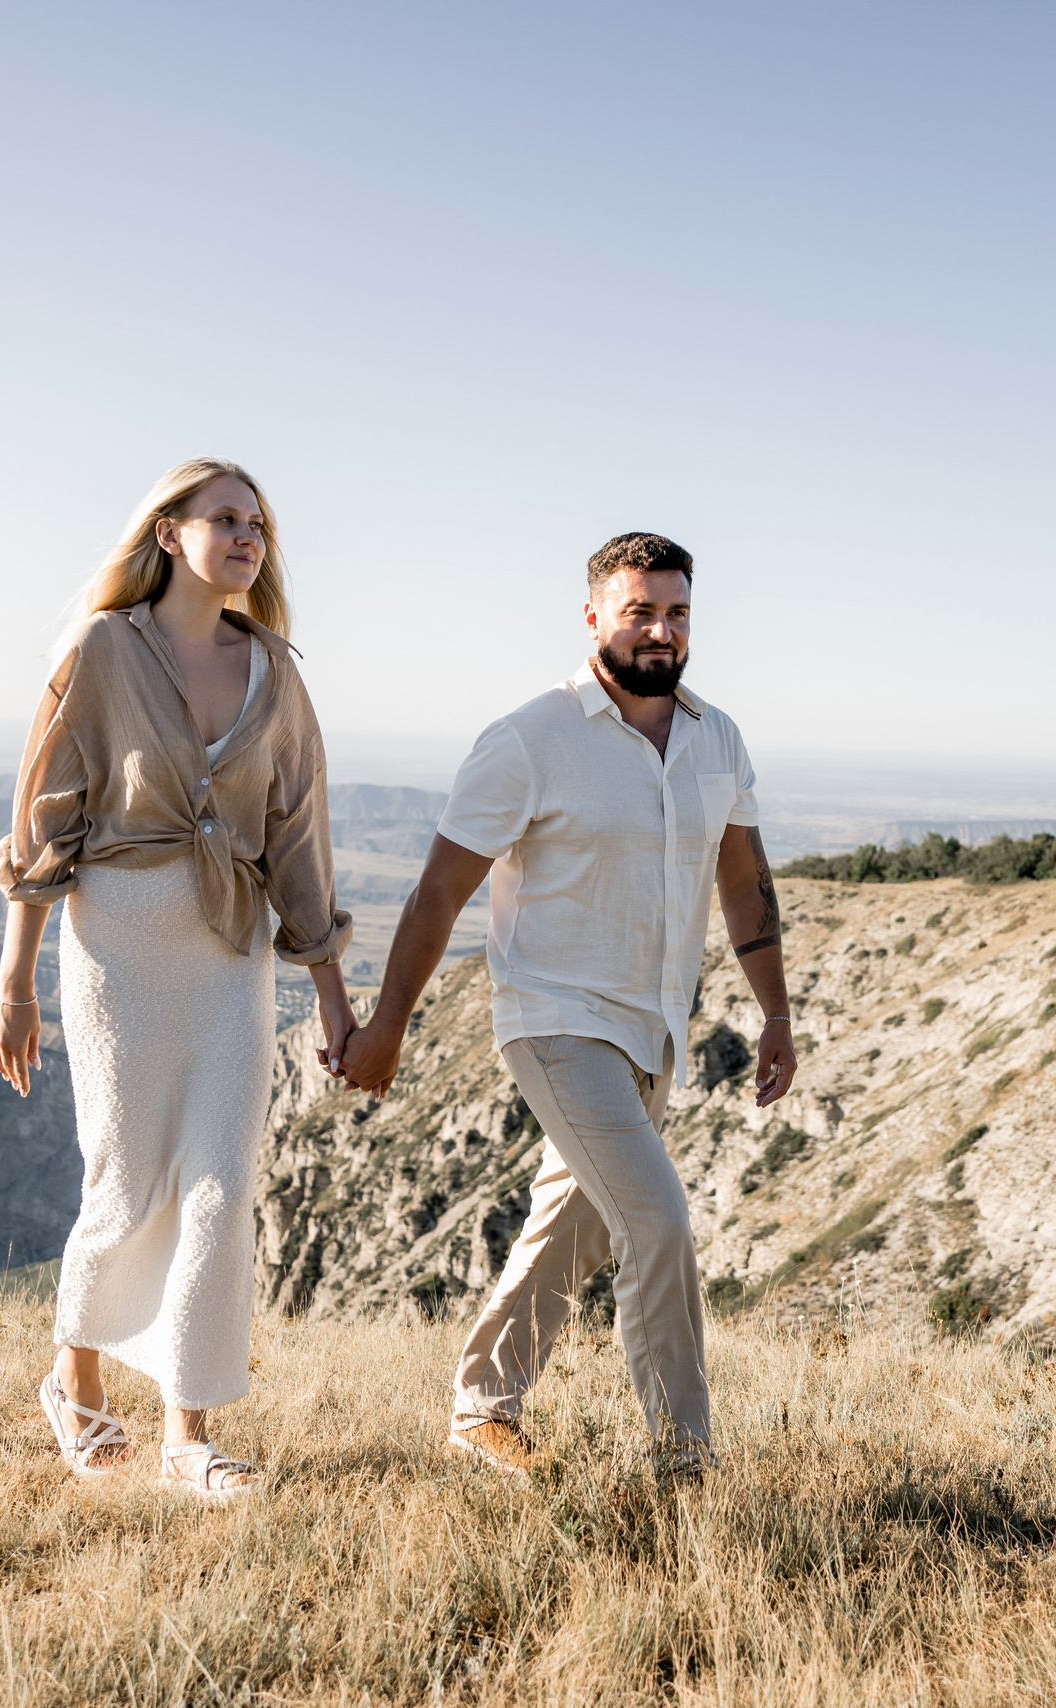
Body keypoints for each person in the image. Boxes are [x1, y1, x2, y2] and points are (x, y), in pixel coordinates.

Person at [337, 531, 796, 1481]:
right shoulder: (530, 737)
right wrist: (388, 1025)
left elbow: (745, 884)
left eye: (676, 614)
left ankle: (481, 1407)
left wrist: (777, 1015)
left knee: (577, 1221)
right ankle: (686, 1462)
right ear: (593, 616)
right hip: (553, 1018)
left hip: (656, 1025)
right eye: (640, 611)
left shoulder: (718, 736)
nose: (661, 632)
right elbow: (435, 896)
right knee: (656, 1219)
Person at [0, 457, 355, 1499]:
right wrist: (13, 983)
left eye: (258, 524)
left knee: (220, 1188)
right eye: (224, 518)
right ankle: (74, 1377)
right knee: (125, 1179)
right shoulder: (102, 650)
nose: (247, 537)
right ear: (167, 534)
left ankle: (187, 1435)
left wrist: (329, 991)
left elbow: (299, 839)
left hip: (229, 953)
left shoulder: (277, 671)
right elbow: (42, 822)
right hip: (119, 941)